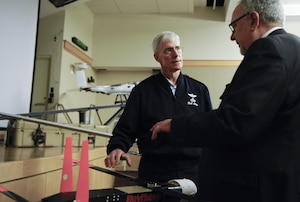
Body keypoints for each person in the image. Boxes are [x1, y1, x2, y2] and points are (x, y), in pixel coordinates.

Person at [150, 1, 300, 202]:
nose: (232, 36)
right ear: (157, 57)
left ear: (253, 20)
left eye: (234, 26)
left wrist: (175, 125)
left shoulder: (268, 49)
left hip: (257, 188)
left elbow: (236, 122)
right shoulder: (294, 48)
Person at [104, 31, 212, 201]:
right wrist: (117, 147)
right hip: (155, 171)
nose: (176, 54)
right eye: (169, 50)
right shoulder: (142, 91)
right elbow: (126, 128)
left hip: (193, 172)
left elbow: (209, 129)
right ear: (157, 58)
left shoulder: (200, 90)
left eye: (178, 48)